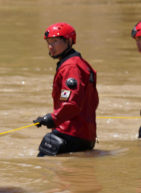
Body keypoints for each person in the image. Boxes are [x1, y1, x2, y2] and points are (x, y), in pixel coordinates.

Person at [34, 23, 99, 156]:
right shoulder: (82, 64)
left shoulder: (70, 67)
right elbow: (94, 101)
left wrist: (51, 118)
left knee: (43, 169)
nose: (50, 46)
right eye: (48, 42)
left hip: (69, 134)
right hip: (85, 136)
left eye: (55, 41)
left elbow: (72, 104)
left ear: (69, 41)